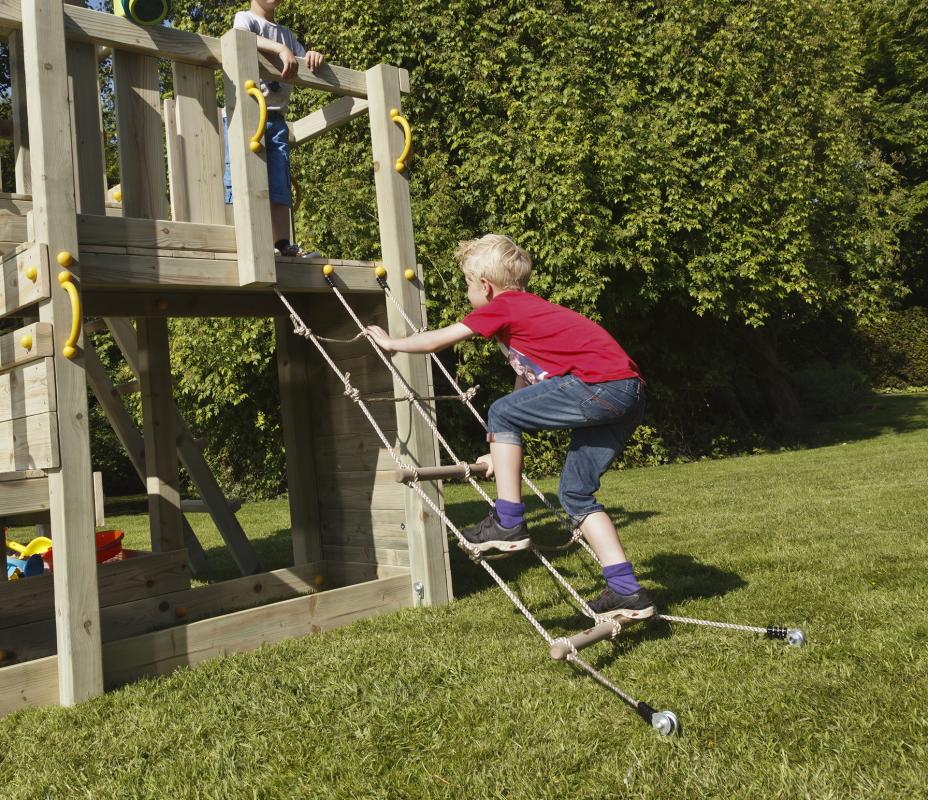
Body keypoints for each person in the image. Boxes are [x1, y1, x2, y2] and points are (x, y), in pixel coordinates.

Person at [365, 234, 655, 620]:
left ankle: (509, 522)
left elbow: (439, 340)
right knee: (576, 494)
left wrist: (392, 344)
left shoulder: (504, 306)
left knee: (500, 410)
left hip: (601, 386)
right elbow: (527, 389)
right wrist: (500, 451)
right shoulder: (529, 315)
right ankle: (627, 591)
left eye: (468, 285)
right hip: (628, 392)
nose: (469, 294)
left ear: (485, 286)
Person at [224, 0, 324, 257]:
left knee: (279, 183)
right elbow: (242, 37)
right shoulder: (245, 18)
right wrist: (280, 49)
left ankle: (281, 243)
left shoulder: (288, 35)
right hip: (246, 114)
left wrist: (312, 56)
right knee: (241, 177)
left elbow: (304, 61)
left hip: (276, 119)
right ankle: (239, 238)